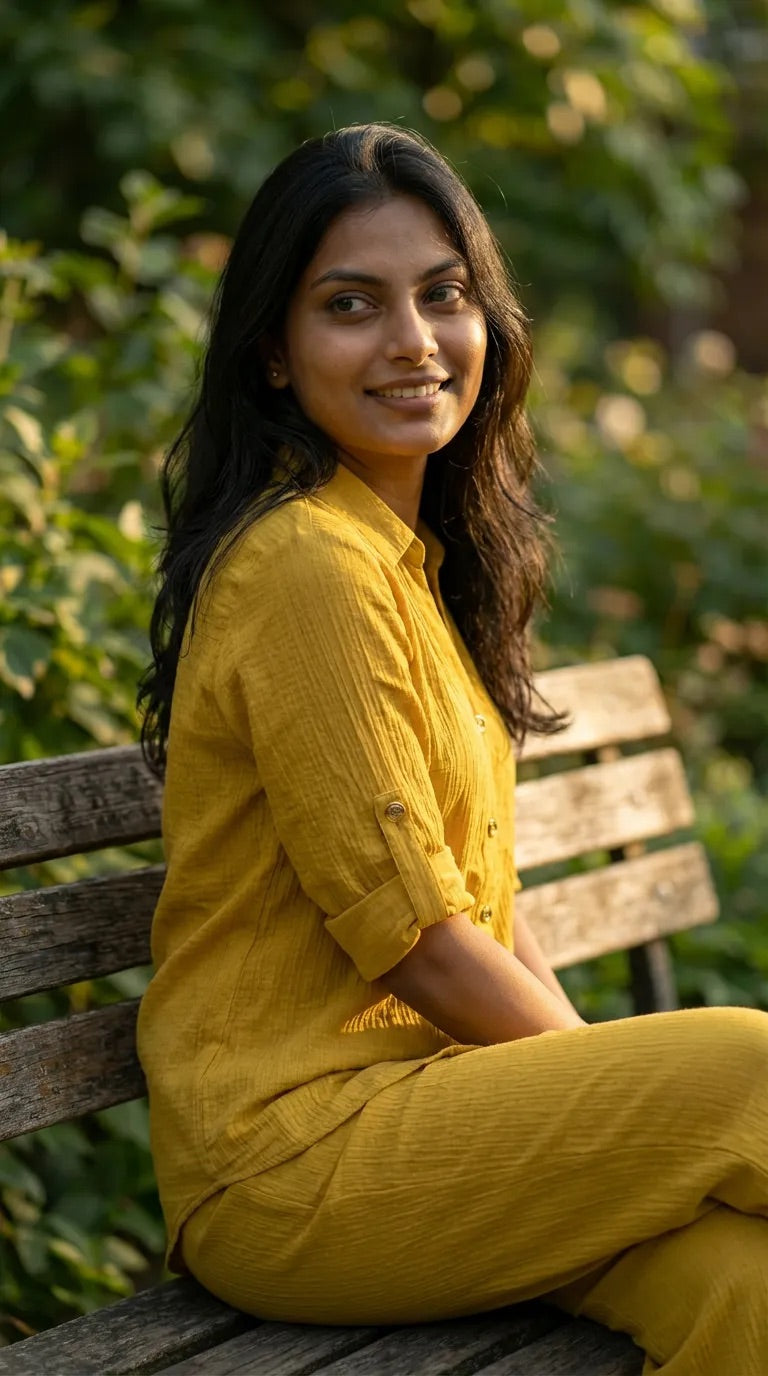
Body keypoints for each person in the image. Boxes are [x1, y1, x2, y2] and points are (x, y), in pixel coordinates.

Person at [136, 123, 768, 1373]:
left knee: (741, 1288)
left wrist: (594, 1102)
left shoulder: (412, 569)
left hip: (433, 1128)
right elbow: (422, 944)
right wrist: (610, 1097)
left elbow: (486, 901)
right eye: (351, 306)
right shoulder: (309, 563)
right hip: (292, 1160)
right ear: (273, 351)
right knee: (749, 1061)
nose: (414, 340)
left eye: (445, 293)